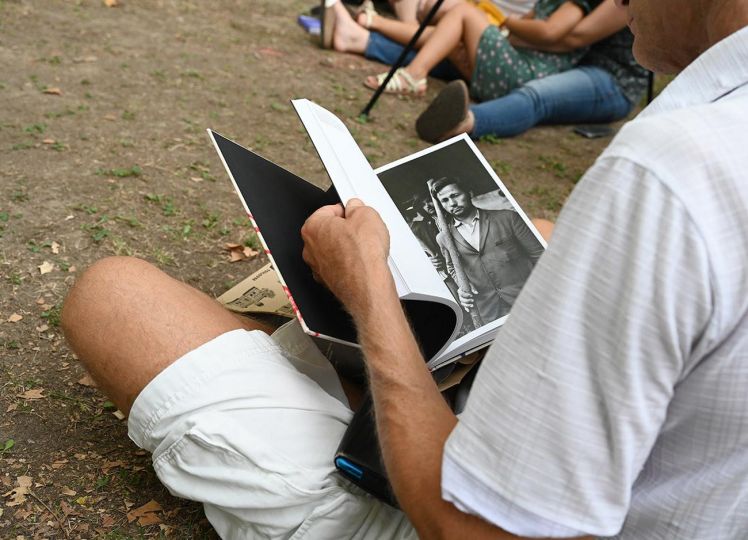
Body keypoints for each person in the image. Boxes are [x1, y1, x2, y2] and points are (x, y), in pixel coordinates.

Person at [61, 1, 748, 538]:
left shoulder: (672, 169)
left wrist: (373, 295)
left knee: (113, 294)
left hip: (448, 509)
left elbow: (478, 531)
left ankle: (343, 377)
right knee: (533, 234)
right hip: (601, 468)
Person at [415, 0, 647, 141]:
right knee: (452, 50)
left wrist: (508, 30)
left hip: (613, 78)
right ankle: (383, 46)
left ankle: (464, 122)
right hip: (565, 58)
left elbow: (575, 37)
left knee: (537, 95)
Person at [362, 0, 598, 97]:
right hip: (513, 63)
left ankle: (413, 74)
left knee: (463, 12)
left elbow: (549, 32)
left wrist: (507, 22)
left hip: (523, 75)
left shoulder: (577, 3)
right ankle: (372, 23)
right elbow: (526, 29)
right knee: (450, 31)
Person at [431, 177, 543, 323]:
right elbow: (452, 266)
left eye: (455, 195)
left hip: (528, 299)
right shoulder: (444, 238)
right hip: (489, 311)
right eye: (445, 200)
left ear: (469, 193)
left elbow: (540, 256)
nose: (452, 203)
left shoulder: (508, 218)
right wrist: (462, 285)